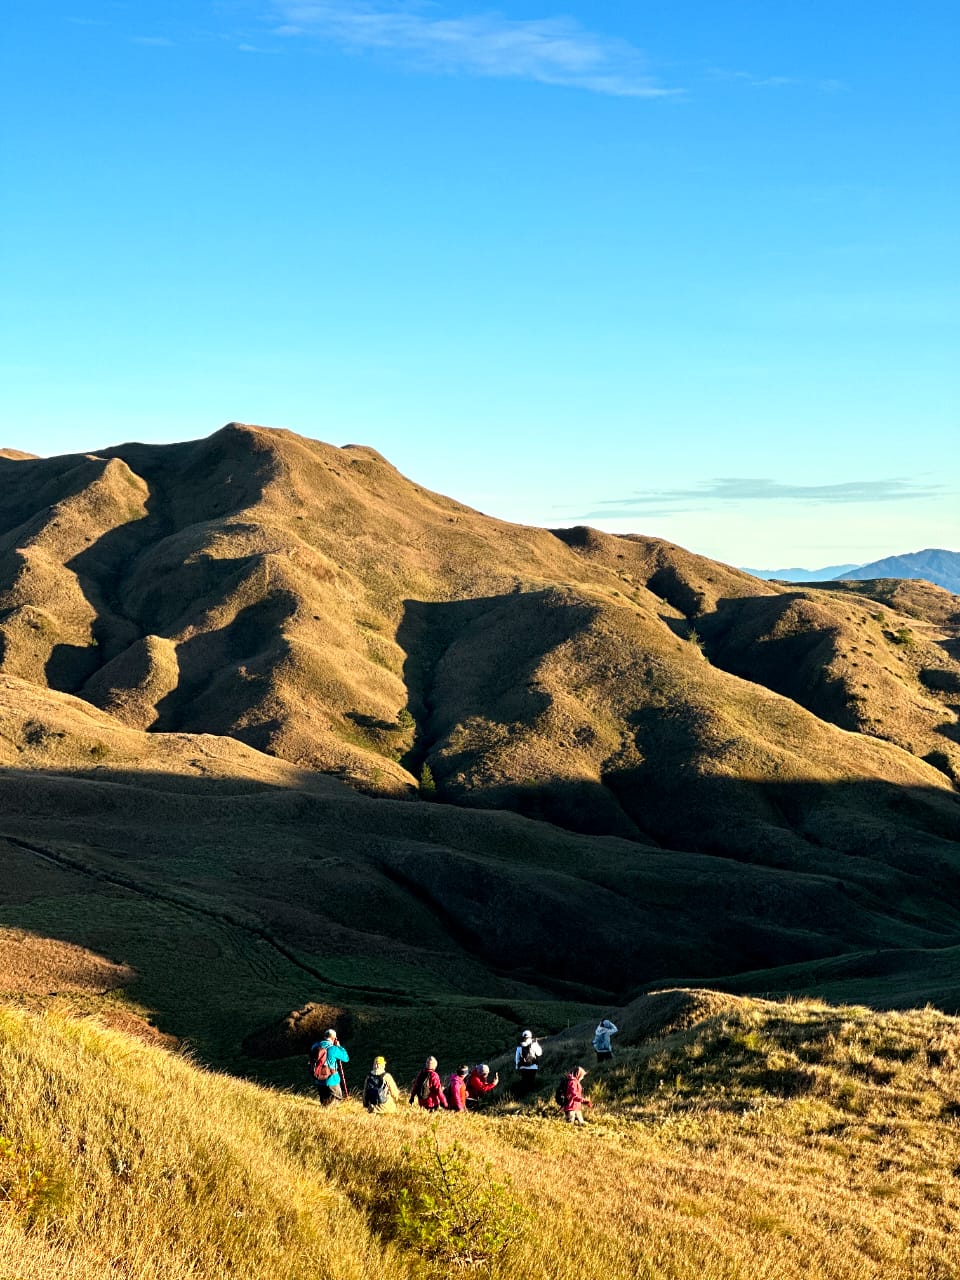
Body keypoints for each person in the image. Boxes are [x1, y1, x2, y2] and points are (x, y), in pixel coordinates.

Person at [309, 1028, 350, 1106]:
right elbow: (346, 1058)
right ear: (333, 1038)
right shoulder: (333, 1049)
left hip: (318, 1079)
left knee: (324, 1103)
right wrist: (339, 1047)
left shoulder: (315, 1046)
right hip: (331, 1080)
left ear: (325, 1036)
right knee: (334, 1103)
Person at [514, 1029, 542, 1096]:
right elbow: (539, 1053)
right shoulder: (534, 1045)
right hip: (533, 1067)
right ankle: (530, 1097)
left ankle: (523, 1096)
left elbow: (516, 1059)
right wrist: (536, 1043)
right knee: (531, 1082)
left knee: (524, 1082)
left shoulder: (519, 1046)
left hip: (523, 1067)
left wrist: (517, 1067)